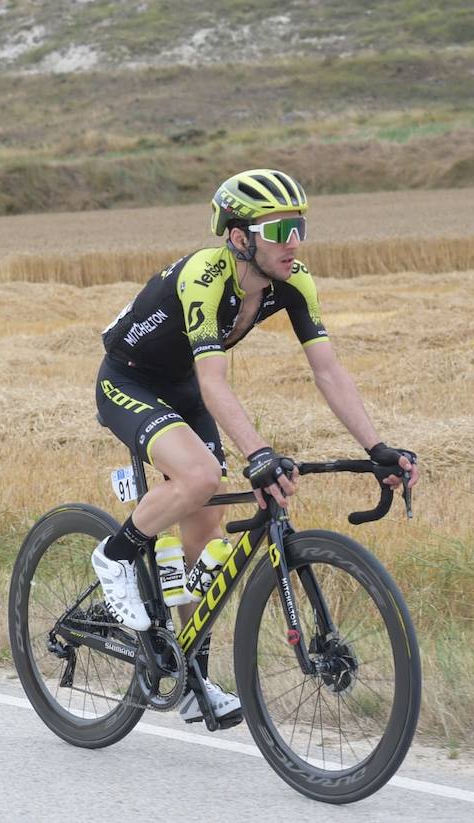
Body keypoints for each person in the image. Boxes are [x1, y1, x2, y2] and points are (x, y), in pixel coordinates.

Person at [92, 169, 419, 724]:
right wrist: (258, 454)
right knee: (200, 479)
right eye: (279, 228)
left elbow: (328, 371)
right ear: (241, 237)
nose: (294, 241)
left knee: (203, 531)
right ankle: (115, 556)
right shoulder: (205, 275)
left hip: (187, 389)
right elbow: (216, 381)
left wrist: (377, 446)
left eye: (300, 226)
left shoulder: (294, 282)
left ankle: (191, 672)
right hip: (129, 381)